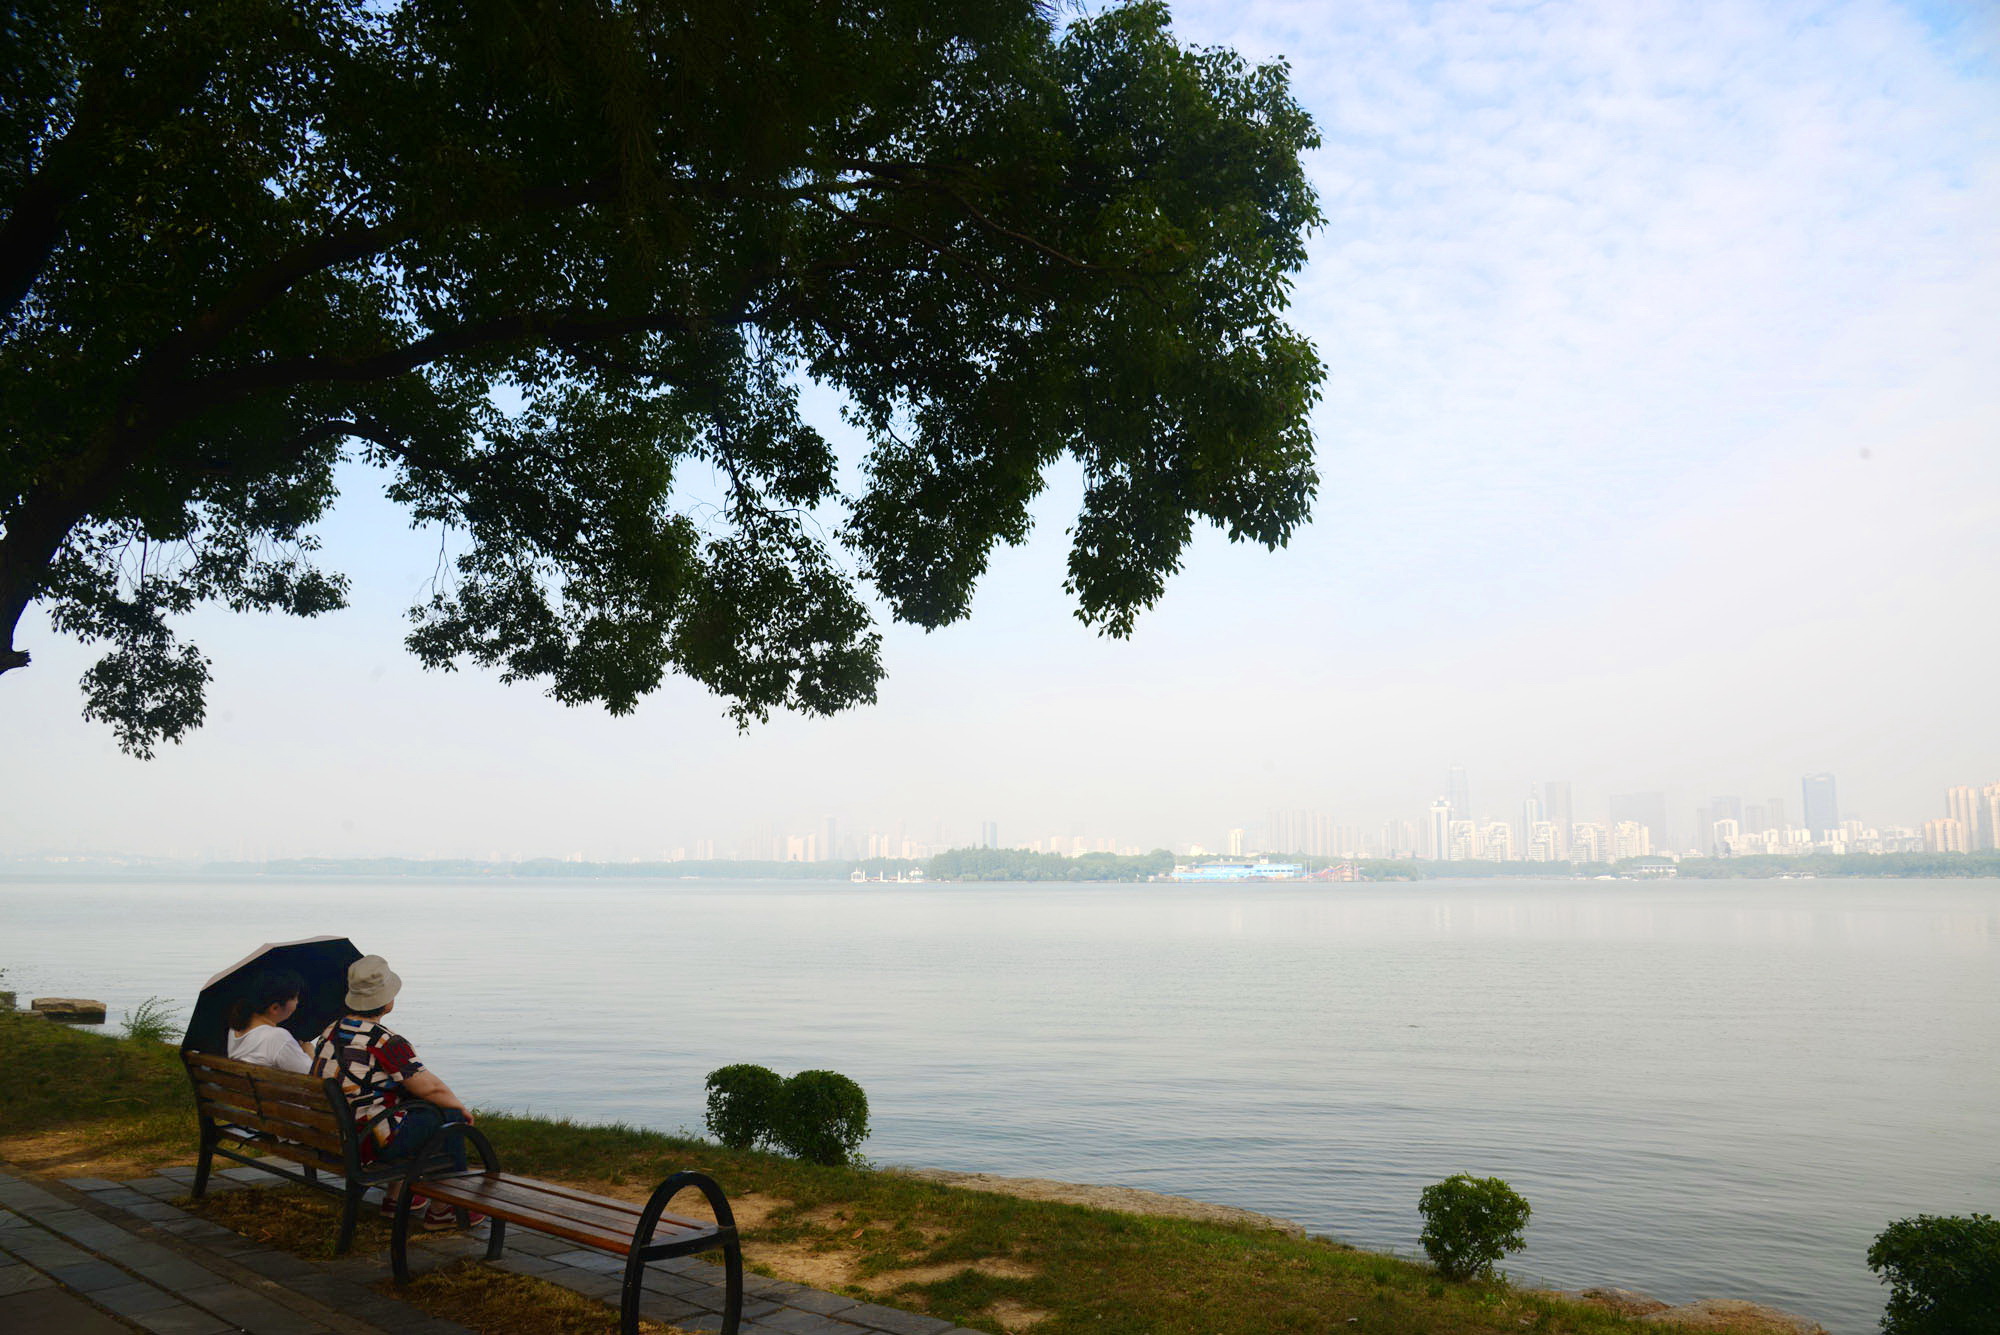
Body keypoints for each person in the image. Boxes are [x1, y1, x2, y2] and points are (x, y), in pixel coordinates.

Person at [310, 954, 483, 1230]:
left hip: (331, 1135)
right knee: (447, 1116)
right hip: (365, 1143)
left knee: (414, 1108)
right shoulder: (383, 1040)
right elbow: (430, 1086)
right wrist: (459, 1107)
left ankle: (399, 1197)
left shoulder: (330, 1031)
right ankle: (445, 1209)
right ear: (387, 1002)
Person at [225, 969, 312, 1073]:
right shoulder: (277, 1037)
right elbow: (314, 1076)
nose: (297, 1002)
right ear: (274, 1008)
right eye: (294, 998)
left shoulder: (236, 1027)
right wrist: (310, 1052)